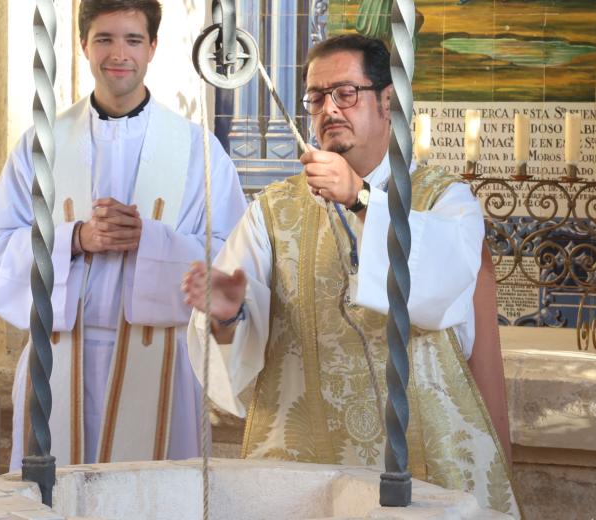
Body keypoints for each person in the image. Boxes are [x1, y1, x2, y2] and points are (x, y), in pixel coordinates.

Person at [183, 34, 519, 516]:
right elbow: (235, 356)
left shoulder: (443, 200)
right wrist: (226, 315)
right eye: (316, 97)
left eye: (346, 93)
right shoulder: (272, 213)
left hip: (421, 466)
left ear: (387, 101)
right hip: (306, 474)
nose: (329, 109)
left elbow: (439, 291)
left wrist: (361, 198)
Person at [0, 0, 247, 469]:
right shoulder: (40, 144)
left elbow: (230, 255)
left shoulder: (198, 150)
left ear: (152, 47)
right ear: (84, 45)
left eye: (133, 40)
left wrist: (150, 241)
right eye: (105, 39)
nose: (119, 54)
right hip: (60, 355)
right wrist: (74, 239)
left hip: (162, 365)